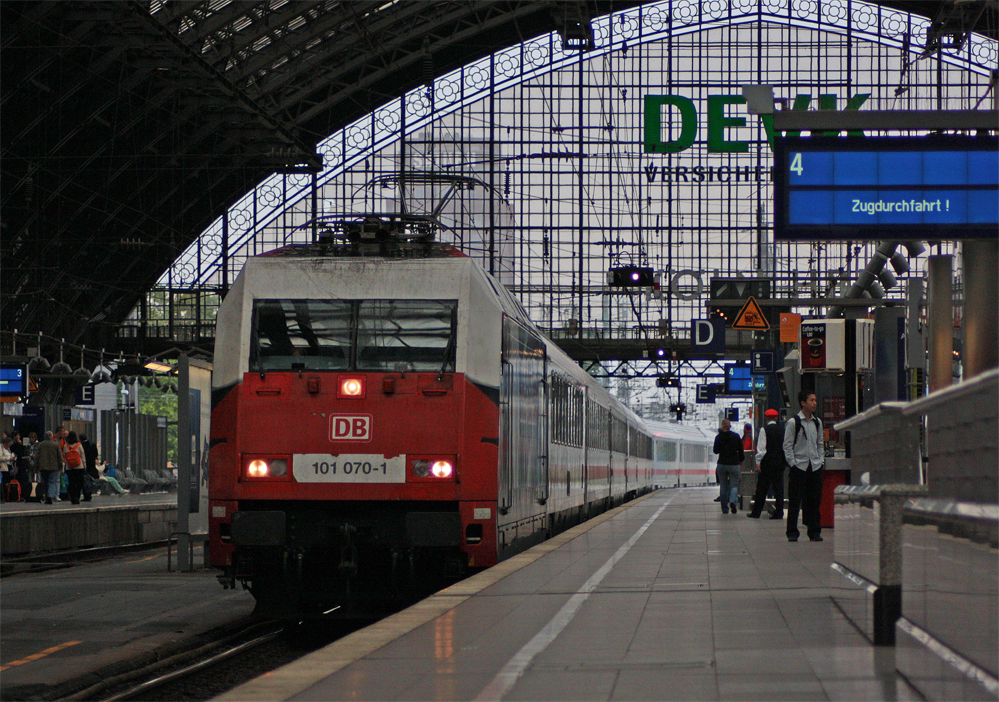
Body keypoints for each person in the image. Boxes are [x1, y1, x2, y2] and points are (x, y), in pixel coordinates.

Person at [783, 390, 825, 542]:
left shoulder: (817, 422)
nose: (815, 403)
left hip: (814, 467)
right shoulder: (793, 423)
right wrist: (793, 464)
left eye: (815, 400)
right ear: (803, 403)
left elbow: (820, 444)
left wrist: (820, 461)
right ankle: (792, 532)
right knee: (795, 502)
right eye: (811, 400)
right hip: (798, 468)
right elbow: (787, 446)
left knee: (814, 501)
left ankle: (814, 532)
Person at [747, 409, 786, 520]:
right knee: (779, 489)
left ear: (766, 418)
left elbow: (762, 449)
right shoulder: (782, 430)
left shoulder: (764, 430)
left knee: (762, 488)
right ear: (776, 418)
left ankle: (756, 512)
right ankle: (779, 513)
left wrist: (758, 462)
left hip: (767, 463)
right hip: (779, 462)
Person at [713, 418, 744, 514]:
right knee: (734, 485)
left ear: (722, 426)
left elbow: (715, 451)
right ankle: (733, 502)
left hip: (722, 464)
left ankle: (724, 509)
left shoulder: (719, 437)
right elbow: (741, 450)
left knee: (723, 486)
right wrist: (740, 460)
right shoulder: (736, 436)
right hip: (734, 464)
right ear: (729, 426)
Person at [36, 431, 62, 505]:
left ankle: (46, 496)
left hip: (43, 467)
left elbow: (37, 456)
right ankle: (50, 496)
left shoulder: (41, 445)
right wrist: (60, 465)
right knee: (52, 482)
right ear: (51, 436)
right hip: (54, 467)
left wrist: (36, 466)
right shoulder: (56, 445)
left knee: (45, 482)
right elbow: (59, 456)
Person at [62, 431, 87, 505]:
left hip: (69, 467)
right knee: (79, 483)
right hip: (79, 467)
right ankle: (77, 496)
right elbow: (82, 456)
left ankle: (73, 497)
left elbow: (64, 454)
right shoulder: (79, 445)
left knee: (71, 483)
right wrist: (84, 465)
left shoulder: (66, 445)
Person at [79, 433, 99, 502]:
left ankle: (86, 496)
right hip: (92, 466)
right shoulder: (92, 445)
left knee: (85, 481)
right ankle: (89, 494)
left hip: (84, 466)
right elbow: (96, 454)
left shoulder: (81, 446)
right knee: (90, 480)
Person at [10, 431, 29, 502]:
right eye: (17, 435)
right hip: (16, 463)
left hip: (21, 463)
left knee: (22, 479)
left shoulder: (20, 444)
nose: (19, 437)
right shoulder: (13, 444)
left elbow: (23, 451)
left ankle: (22, 494)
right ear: (14, 436)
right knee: (17, 478)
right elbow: (16, 451)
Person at [0, 437, 14, 502]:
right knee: (2, 483)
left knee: (6, 483)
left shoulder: (8, 449)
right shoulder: (1, 448)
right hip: (2, 467)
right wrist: (8, 458)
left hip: (8, 467)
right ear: (5, 443)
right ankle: (2, 497)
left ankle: (6, 496)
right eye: (9, 445)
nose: (9, 447)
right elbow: (0, 457)